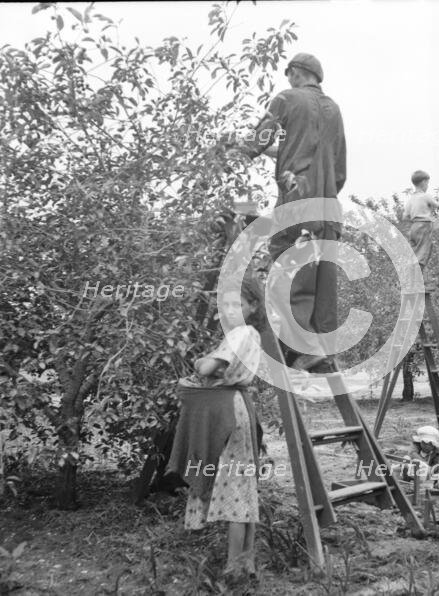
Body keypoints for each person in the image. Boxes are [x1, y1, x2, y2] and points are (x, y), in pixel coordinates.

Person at [241, 52, 347, 372]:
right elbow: (337, 168)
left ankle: (301, 347)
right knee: (322, 281)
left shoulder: (286, 99)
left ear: (298, 72)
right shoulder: (334, 110)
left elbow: (256, 141)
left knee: (285, 274)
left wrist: (233, 149)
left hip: (296, 202)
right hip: (328, 208)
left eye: (288, 73)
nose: (287, 79)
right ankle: (322, 350)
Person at [165, 277, 266, 582]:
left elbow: (206, 369)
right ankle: (246, 563)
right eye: (227, 304)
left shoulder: (239, 334)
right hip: (241, 407)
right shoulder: (253, 336)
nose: (231, 310)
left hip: (228, 411)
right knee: (244, 488)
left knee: (235, 489)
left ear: (253, 307)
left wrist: (202, 361)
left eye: (238, 304)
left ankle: (233, 568)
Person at [402, 170, 439, 279]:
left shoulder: (411, 199)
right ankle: (417, 277)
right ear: (424, 182)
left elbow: (405, 216)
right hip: (424, 226)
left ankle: (410, 274)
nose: (427, 186)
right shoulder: (425, 196)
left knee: (415, 252)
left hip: (414, 227)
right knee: (424, 251)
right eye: (427, 183)